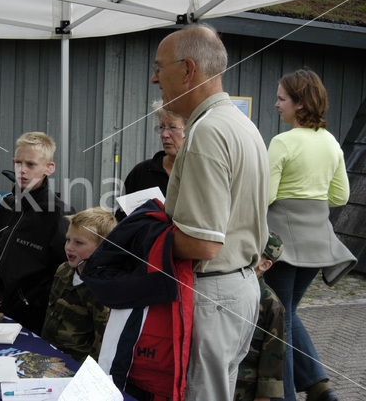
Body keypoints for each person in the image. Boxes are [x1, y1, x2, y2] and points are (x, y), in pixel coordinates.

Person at [151, 24, 269, 401]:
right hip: (238, 287)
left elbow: (203, 243)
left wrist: (143, 237)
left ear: (188, 69)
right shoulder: (240, 124)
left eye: (159, 67)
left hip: (212, 292)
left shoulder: (207, 131)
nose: (155, 78)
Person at [263, 69, 354, 401]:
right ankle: (319, 386)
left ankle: (286, 396)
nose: (276, 104)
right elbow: (340, 197)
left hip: (282, 246)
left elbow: (266, 196)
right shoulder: (330, 142)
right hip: (318, 245)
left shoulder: (283, 141)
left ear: (300, 104)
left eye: (282, 98)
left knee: (279, 324)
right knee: (287, 314)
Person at [0, 132, 73, 335]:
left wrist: (32, 302)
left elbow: (64, 269)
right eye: (18, 163)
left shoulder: (58, 213)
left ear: (48, 168)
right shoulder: (5, 205)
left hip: (32, 316)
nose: (22, 170)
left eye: (31, 165)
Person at [41, 207, 116, 362]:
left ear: (102, 247)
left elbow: (101, 346)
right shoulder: (64, 271)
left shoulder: (103, 289)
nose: (69, 247)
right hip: (47, 356)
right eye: (68, 239)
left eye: (79, 243)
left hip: (76, 367)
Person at [234, 232, 286, 401]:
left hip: (244, 387)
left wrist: (265, 395)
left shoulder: (271, 304)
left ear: (265, 264)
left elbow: (274, 355)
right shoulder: (227, 284)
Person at [123, 100, 187, 196]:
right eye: (161, 127)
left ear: (190, 129)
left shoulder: (203, 172)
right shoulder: (142, 172)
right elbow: (122, 211)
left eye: (172, 127)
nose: (164, 135)